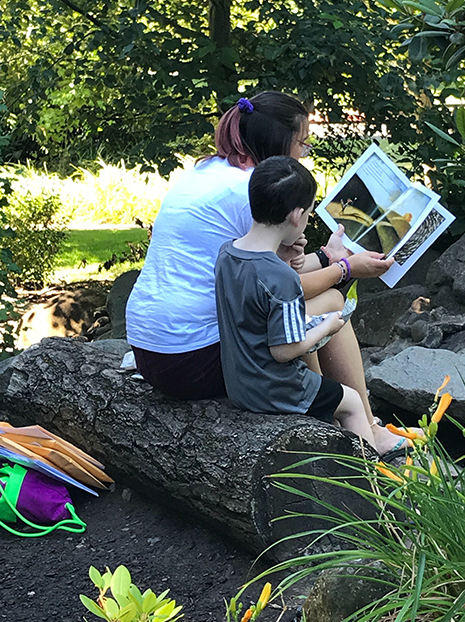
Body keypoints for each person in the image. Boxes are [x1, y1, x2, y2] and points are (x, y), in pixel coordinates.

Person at [126, 91, 410, 454]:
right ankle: (360, 423)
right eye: (302, 144)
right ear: (280, 144)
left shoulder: (211, 172)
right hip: (192, 359)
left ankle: (341, 417)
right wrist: (344, 269)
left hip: (153, 352)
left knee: (324, 298)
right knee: (331, 302)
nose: (304, 154)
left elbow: (265, 276)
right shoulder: (247, 191)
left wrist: (326, 258)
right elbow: (285, 290)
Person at [215, 155, 377, 450]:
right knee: (351, 402)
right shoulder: (281, 278)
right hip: (276, 388)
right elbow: (284, 350)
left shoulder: (227, 255)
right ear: (295, 215)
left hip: (239, 385)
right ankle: (369, 486)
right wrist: (327, 326)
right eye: (308, 215)